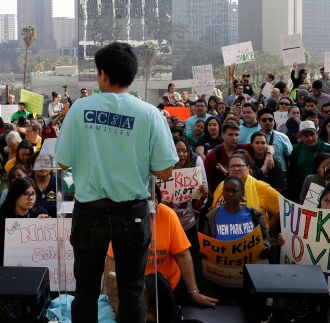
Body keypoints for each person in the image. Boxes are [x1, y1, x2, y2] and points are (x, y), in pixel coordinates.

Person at [54, 42, 178, 323]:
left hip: (89, 212)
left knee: (84, 291)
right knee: (132, 291)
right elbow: (166, 172)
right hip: (132, 213)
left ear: (103, 74)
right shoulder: (149, 114)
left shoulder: (80, 109)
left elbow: (62, 163)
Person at [105, 186, 217, 321]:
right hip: (135, 291)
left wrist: (194, 292)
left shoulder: (168, 215)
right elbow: (112, 259)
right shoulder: (124, 219)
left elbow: (182, 255)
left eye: (154, 199)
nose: (151, 204)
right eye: (145, 200)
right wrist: (108, 296)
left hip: (166, 290)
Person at [211, 153, 281, 229]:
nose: (236, 169)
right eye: (233, 166)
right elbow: (213, 211)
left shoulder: (260, 187)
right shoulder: (222, 186)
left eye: (239, 166)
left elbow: (284, 208)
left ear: (248, 168)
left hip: (253, 238)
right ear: (228, 170)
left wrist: (268, 227)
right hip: (223, 237)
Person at [285, 120, 330, 202]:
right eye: (306, 135)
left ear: (317, 134)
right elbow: (291, 174)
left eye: (312, 134)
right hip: (303, 193)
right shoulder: (296, 150)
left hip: (329, 192)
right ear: (301, 137)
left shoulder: (329, 149)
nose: (310, 138)